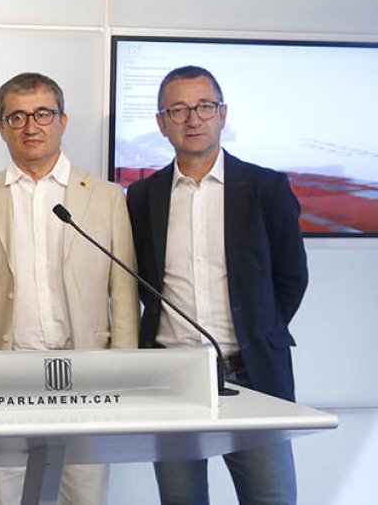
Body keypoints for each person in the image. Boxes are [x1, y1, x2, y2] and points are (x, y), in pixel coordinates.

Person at [126, 65, 308, 505]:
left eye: (204, 106)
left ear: (222, 115)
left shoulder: (265, 187)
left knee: (271, 497)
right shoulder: (143, 196)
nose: (193, 119)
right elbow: (139, 280)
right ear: (161, 123)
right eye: (179, 109)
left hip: (252, 372)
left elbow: (291, 276)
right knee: (181, 499)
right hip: (171, 376)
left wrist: (259, 330)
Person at [0, 72, 139, 505]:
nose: (31, 126)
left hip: (88, 373)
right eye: (17, 116)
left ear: (63, 121)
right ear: (1, 127)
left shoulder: (106, 197)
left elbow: (125, 291)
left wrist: (126, 370)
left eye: (43, 113)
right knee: (11, 496)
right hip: (5, 373)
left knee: (85, 495)